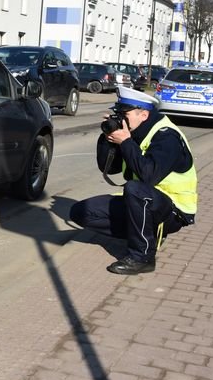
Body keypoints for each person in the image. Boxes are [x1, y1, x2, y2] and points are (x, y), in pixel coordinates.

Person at [70, 86, 197, 274]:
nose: (120, 117)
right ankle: (146, 234)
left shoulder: (166, 137)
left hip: (174, 210)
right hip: (144, 202)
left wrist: (126, 142)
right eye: (117, 112)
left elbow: (148, 176)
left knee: (135, 189)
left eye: (124, 113)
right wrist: (108, 139)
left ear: (143, 115)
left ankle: (142, 257)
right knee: (82, 212)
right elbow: (109, 168)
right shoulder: (135, 131)